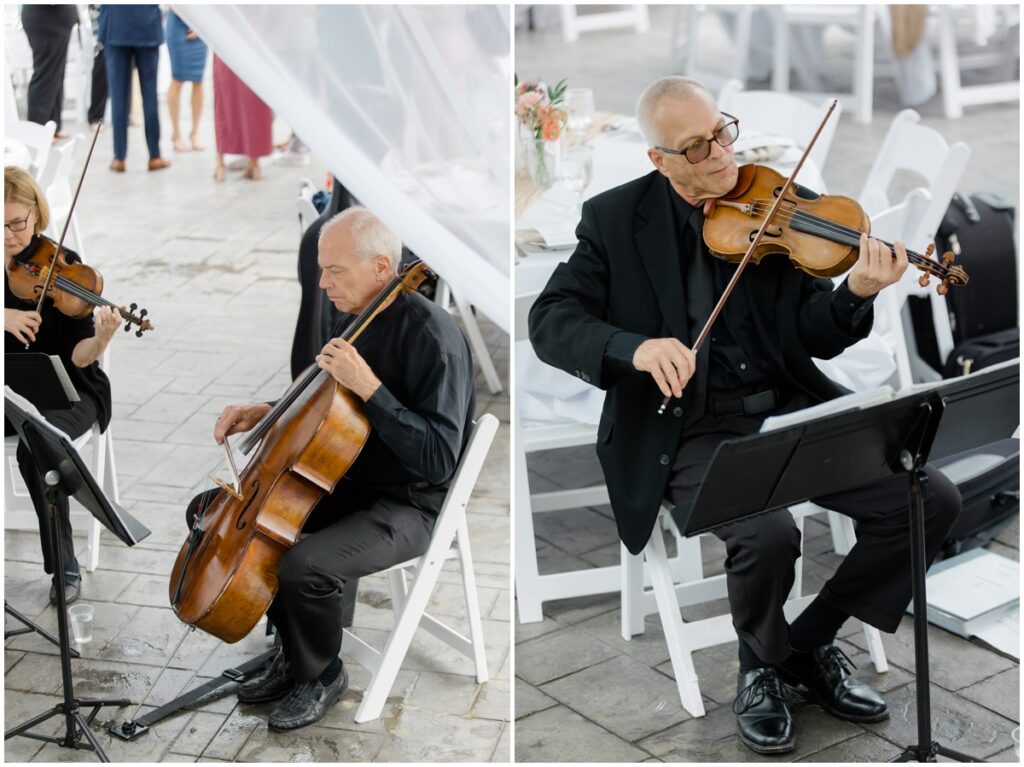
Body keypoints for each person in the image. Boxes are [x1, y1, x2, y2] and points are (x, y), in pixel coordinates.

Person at [528, 76, 961, 756]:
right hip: (687, 427)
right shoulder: (614, 219)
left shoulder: (773, 201)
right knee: (766, 534)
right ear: (659, 160)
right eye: (695, 148)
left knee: (928, 496)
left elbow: (815, 331)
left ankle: (803, 644)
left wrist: (857, 292)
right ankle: (758, 669)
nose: (720, 156)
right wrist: (633, 348)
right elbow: (549, 320)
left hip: (785, 407)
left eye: (722, 132)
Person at [183, 207, 476, 731]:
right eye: (322, 269)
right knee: (217, 514)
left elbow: (437, 458)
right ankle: (291, 657)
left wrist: (373, 389)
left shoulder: (433, 337)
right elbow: (327, 407)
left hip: (409, 503)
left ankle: (320, 674)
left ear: (382, 267)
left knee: (304, 564)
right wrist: (266, 411)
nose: (322, 283)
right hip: (349, 480)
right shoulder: (357, 314)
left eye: (334, 271)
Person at [4, 167, 121, 605]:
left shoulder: (63, 267)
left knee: (35, 446)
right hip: (10, 392)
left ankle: (64, 564)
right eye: (1, 225)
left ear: (36, 215)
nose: (11, 236)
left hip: (71, 391)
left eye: (18, 223)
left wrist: (103, 337)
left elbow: (79, 357)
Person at [98, 5, 169, 172]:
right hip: (146, 22)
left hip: (115, 24)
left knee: (118, 96)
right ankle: (155, 155)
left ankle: (119, 157)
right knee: (150, 94)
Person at [21, 5, 79, 139]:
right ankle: (37, 131)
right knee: (45, 74)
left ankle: (53, 126)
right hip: (46, 19)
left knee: (57, 74)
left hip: (57, 18)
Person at [212, 55, 273, 181]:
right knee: (254, 104)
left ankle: (220, 164)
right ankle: (254, 163)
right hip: (252, 49)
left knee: (225, 102)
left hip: (225, 48)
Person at [165, 10, 208, 153]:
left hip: (201, 23)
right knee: (177, 79)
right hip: (178, 22)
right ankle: (176, 134)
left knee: (198, 80)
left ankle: (195, 132)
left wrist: (199, 24)